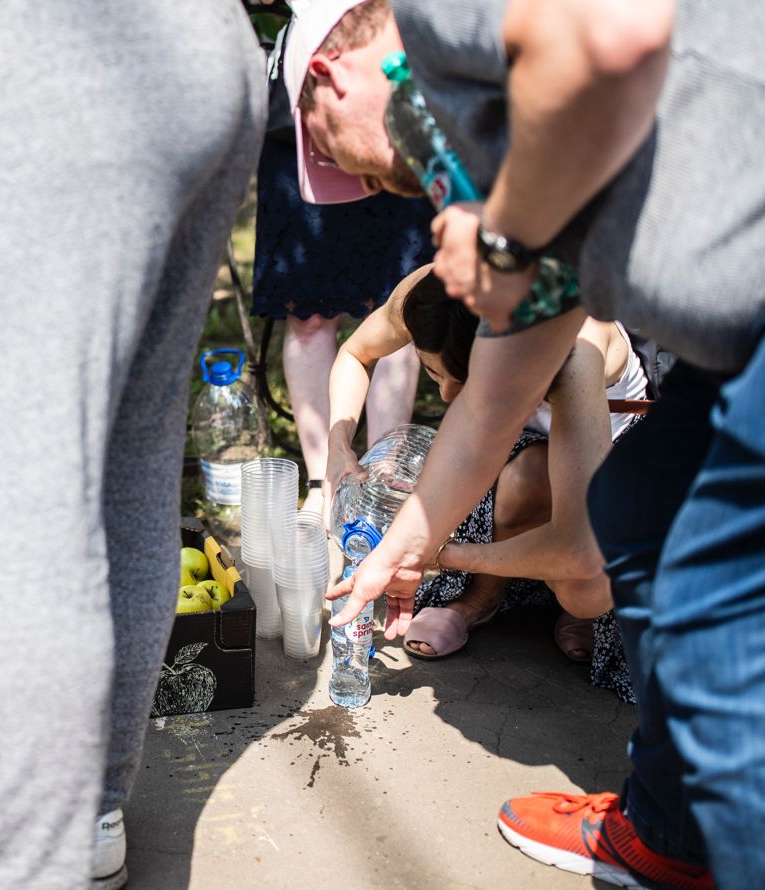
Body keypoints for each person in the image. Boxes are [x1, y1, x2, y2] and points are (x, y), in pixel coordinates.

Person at [287, 1, 765, 888]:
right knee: (640, 509)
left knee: (704, 586)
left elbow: (612, 27)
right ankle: (667, 838)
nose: (378, 190)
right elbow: (491, 403)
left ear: (331, 75)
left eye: (333, 153)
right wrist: (401, 549)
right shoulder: (510, 168)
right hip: (727, 348)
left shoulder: (434, 20)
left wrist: (505, 237)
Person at [0, 1, 265, 887]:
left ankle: (40, 859)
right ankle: (87, 816)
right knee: (131, 476)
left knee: (22, 505)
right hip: (211, 53)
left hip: (71, 53)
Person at [330, 264, 644, 699]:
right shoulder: (432, 297)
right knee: (524, 479)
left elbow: (579, 551)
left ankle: (575, 607)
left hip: (616, 440)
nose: (445, 396)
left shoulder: (574, 350)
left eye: (464, 381)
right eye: (434, 374)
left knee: (584, 591)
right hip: (524, 442)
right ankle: (482, 598)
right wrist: (338, 443)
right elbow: (355, 353)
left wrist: (439, 556)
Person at [253, 18, 434, 514]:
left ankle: (386, 475)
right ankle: (325, 483)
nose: (366, 181)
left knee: (400, 301)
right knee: (309, 311)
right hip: (312, 106)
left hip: (379, 100)